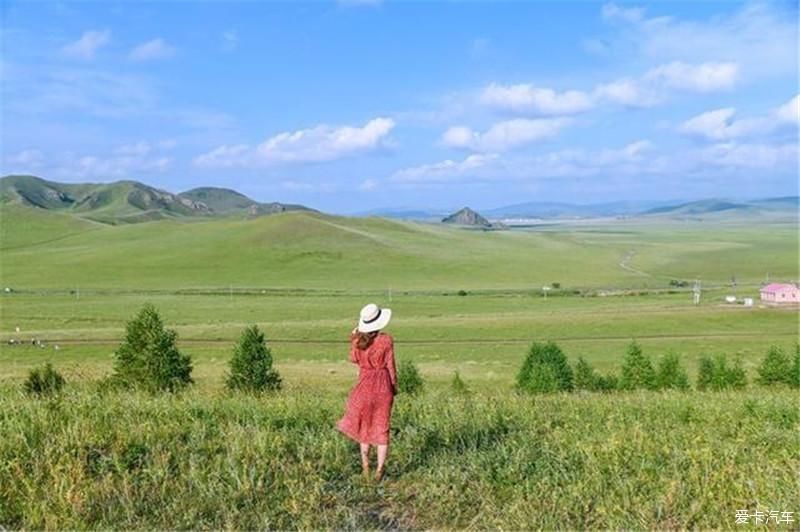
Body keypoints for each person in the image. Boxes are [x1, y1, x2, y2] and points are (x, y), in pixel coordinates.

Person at [336, 303, 397, 481]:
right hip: (383, 386)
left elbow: (352, 358)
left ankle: (365, 467)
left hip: (364, 385)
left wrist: (353, 337)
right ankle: (379, 470)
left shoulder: (357, 342)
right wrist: (393, 386)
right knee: (381, 427)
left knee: (364, 427)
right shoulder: (386, 340)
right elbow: (391, 366)